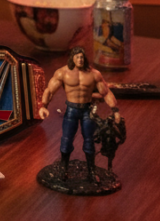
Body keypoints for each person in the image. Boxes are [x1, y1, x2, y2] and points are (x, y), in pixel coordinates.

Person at [38, 47, 121, 181]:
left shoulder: (94, 74)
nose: (80, 59)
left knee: (89, 141)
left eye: (82, 57)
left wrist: (115, 111)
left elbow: (106, 93)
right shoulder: (62, 73)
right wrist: (43, 106)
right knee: (66, 139)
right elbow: (49, 90)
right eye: (77, 57)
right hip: (71, 110)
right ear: (72, 58)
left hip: (87, 110)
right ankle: (63, 169)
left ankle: (91, 171)